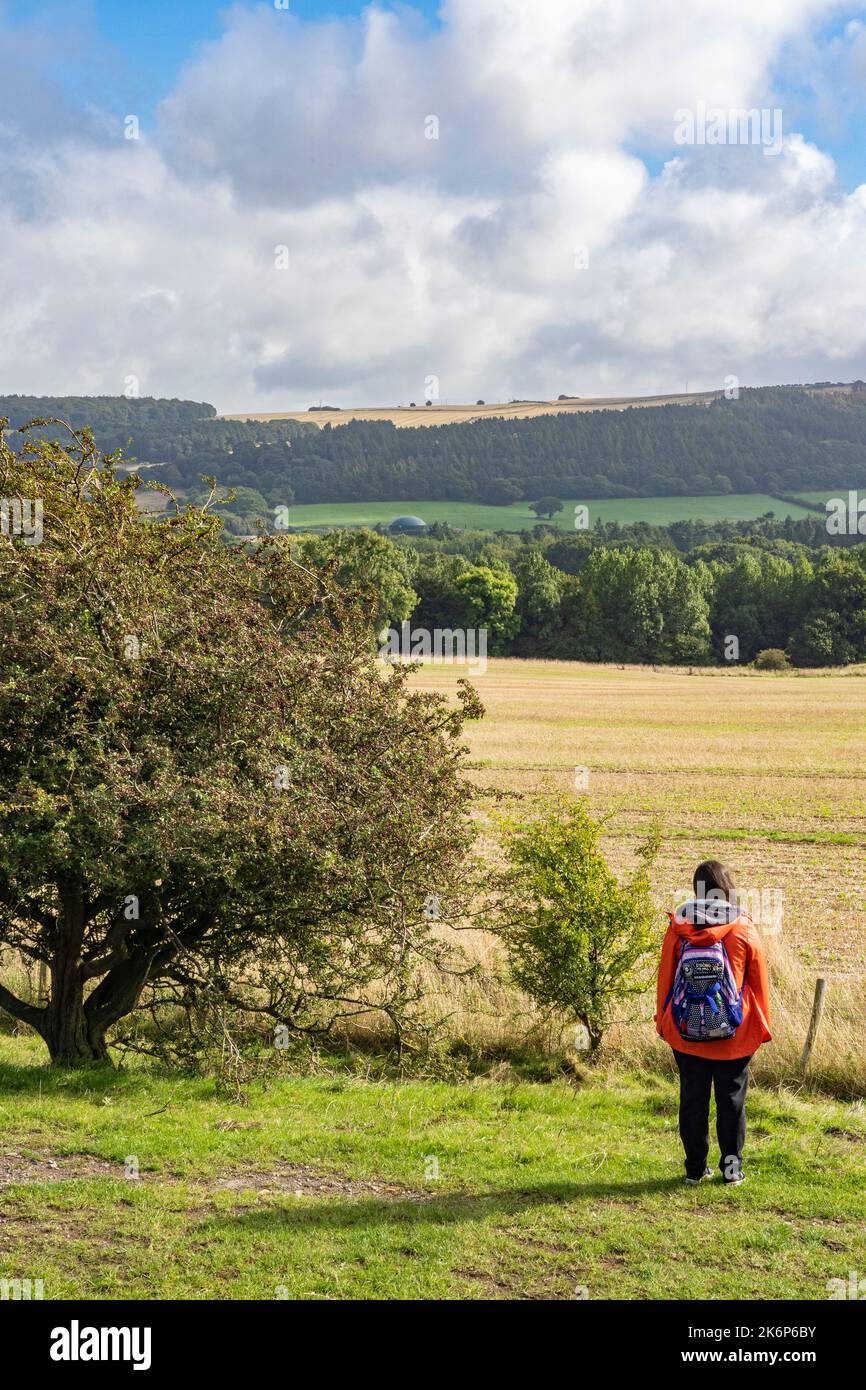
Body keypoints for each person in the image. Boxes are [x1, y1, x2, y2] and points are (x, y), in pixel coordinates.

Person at [655, 860, 772, 1185]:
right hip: (734, 1033)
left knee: (692, 1099)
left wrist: (663, 1022)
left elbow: (666, 978)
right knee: (731, 1104)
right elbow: (758, 982)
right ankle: (732, 1172)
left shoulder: (679, 927)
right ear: (727, 886)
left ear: (697, 889)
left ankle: (695, 1171)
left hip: (687, 1031)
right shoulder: (743, 926)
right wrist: (760, 1027)